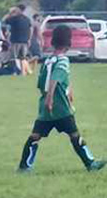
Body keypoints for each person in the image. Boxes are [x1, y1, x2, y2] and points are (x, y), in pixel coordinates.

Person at [18, 25, 105, 173]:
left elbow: (42, 82)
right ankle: (90, 164)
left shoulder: (48, 60)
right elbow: (55, 79)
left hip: (45, 109)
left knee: (35, 136)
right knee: (75, 135)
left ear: (53, 42)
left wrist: (61, 92)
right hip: (61, 108)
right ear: (69, 43)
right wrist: (51, 98)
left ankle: (24, 167)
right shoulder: (63, 60)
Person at [3, 5, 32, 76]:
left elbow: (4, 20)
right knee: (23, 58)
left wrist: (10, 13)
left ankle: (14, 72)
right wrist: (29, 39)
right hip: (24, 41)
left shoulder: (14, 18)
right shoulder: (27, 19)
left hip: (16, 41)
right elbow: (30, 29)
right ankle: (23, 72)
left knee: (13, 57)